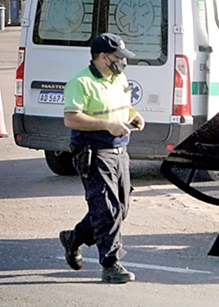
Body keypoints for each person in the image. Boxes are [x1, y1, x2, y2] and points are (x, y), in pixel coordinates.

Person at [59, 33, 145, 284]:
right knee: (107, 210)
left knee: (120, 209)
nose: (123, 62)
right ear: (103, 57)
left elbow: (123, 106)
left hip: (120, 151)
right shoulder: (81, 82)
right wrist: (108, 126)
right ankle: (111, 264)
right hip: (94, 152)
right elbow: (71, 118)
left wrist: (134, 115)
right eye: (119, 57)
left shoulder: (119, 78)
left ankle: (73, 238)